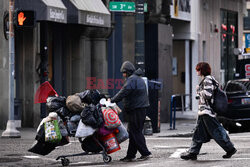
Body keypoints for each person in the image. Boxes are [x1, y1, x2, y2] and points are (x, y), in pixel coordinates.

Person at [180, 62, 237, 160]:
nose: (197, 72)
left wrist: (198, 90)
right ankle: (193, 152)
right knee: (198, 133)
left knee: (216, 131)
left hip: (207, 111)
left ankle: (230, 148)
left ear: (202, 70)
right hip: (204, 111)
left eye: (198, 69)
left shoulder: (207, 79)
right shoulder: (209, 79)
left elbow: (207, 94)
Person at [110, 61, 152, 162]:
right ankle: (130, 155)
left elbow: (123, 92)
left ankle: (145, 153)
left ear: (128, 72)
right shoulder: (137, 78)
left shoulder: (132, 80)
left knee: (135, 132)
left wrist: (111, 100)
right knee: (133, 132)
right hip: (139, 109)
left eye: (124, 73)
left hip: (136, 110)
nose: (123, 75)